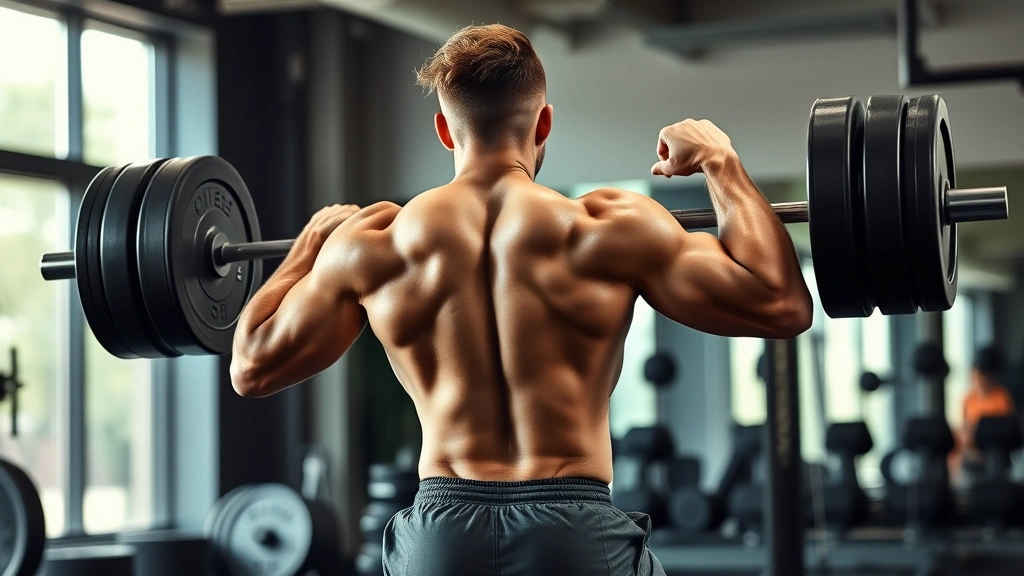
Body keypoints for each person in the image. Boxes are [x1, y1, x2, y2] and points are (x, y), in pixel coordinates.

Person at [230, 24, 812, 576]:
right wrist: (719, 160)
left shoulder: (375, 244)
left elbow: (252, 366)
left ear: (443, 128)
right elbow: (780, 304)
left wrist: (304, 251)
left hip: (442, 537)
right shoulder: (606, 227)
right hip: (572, 529)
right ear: (543, 125)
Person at [953, 345, 1016, 477]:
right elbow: (964, 431)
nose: (979, 379)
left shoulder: (1002, 397)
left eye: (983, 374)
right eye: (977, 374)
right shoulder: (968, 399)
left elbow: (1007, 432)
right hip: (973, 456)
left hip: (996, 455)